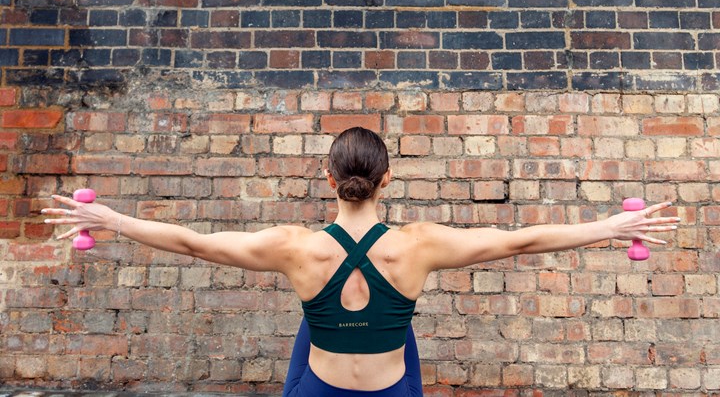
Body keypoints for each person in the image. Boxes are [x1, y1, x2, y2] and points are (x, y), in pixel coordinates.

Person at [41, 126, 679, 396]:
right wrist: (613, 225)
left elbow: (193, 243)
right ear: (387, 180)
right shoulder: (421, 244)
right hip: (389, 386)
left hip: (318, 382)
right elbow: (522, 240)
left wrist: (110, 218)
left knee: (316, 315)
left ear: (328, 179)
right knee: (391, 325)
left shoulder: (293, 246)